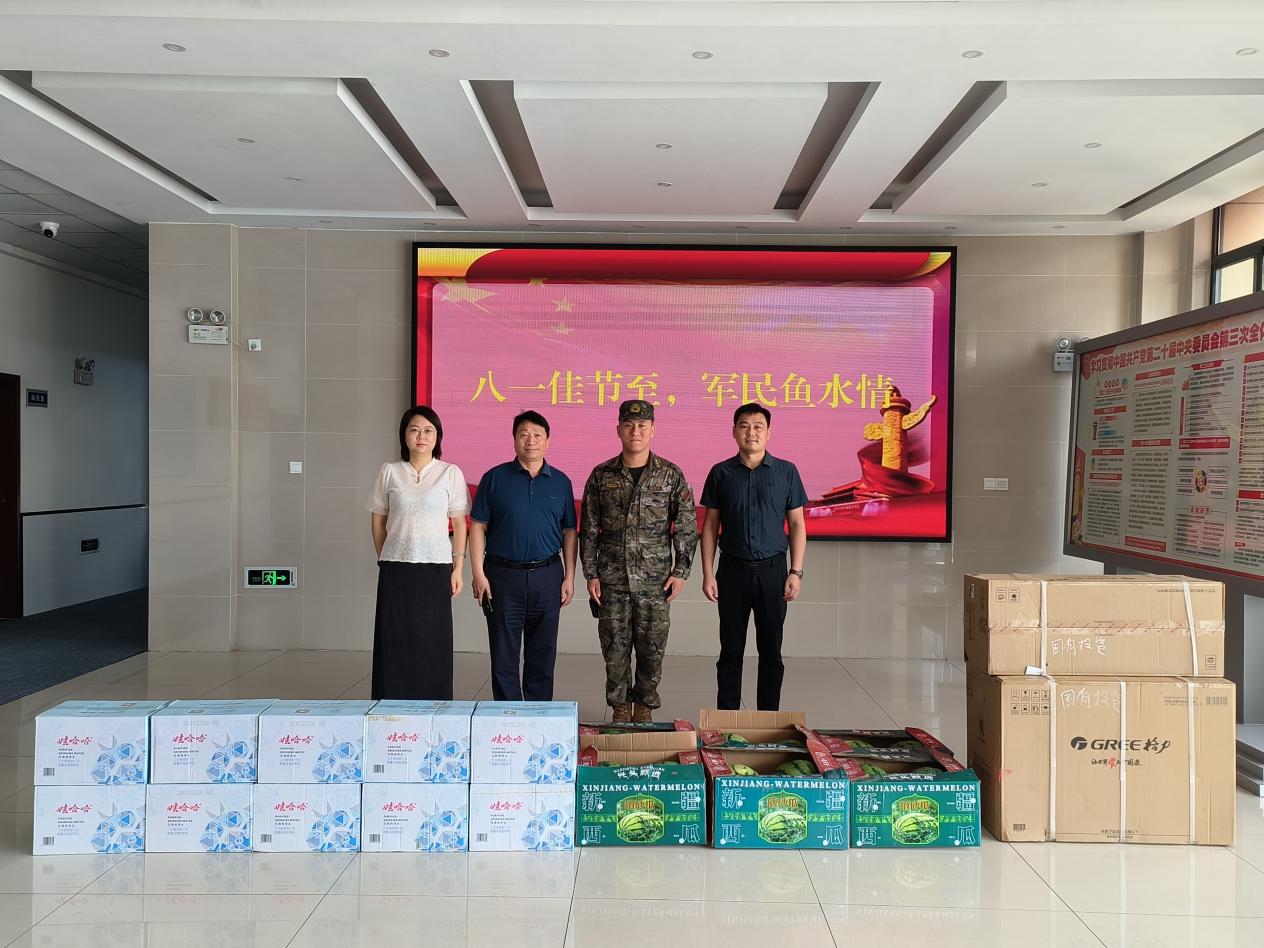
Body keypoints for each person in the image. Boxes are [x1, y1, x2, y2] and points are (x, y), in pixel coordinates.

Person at [580, 400, 698, 724]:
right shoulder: (601, 475)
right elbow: (589, 528)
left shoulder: (670, 475)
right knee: (614, 648)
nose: (636, 432)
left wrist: (681, 571)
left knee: (652, 647)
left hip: (654, 581)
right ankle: (620, 707)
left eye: (642, 426)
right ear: (618, 429)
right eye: (629, 425)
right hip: (612, 579)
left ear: (653, 430)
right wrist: (591, 573)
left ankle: (645, 706)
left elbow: (686, 526)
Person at [699, 402, 808, 711]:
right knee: (730, 651)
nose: (751, 432)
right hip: (731, 571)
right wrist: (707, 573)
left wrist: (796, 571)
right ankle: (726, 718)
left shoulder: (787, 472)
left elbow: (797, 524)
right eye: (744, 426)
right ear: (734, 432)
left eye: (758, 426)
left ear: (769, 433)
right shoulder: (720, 473)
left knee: (771, 651)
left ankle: (768, 719)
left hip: (773, 571)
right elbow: (710, 527)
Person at [469, 410, 577, 700]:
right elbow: (477, 526)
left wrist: (570, 576)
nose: (531, 441)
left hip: (547, 575)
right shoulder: (494, 478)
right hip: (501, 576)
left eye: (537, 435)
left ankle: (538, 713)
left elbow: (569, 531)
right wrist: (478, 573)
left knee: (543, 652)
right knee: (504, 653)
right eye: (524, 434)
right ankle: (507, 715)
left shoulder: (561, 482)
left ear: (548, 441)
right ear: (514, 440)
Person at [368, 406, 469, 700]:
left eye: (428, 430)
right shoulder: (389, 472)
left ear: (437, 437)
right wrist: (385, 556)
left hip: (435, 568)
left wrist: (458, 568)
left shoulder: (449, 473)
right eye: (414, 430)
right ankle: (390, 703)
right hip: (395, 568)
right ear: (404, 435)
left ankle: (434, 702)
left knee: (432, 639)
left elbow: (459, 523)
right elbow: (378, 520)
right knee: (393, 638)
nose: (421, 436)